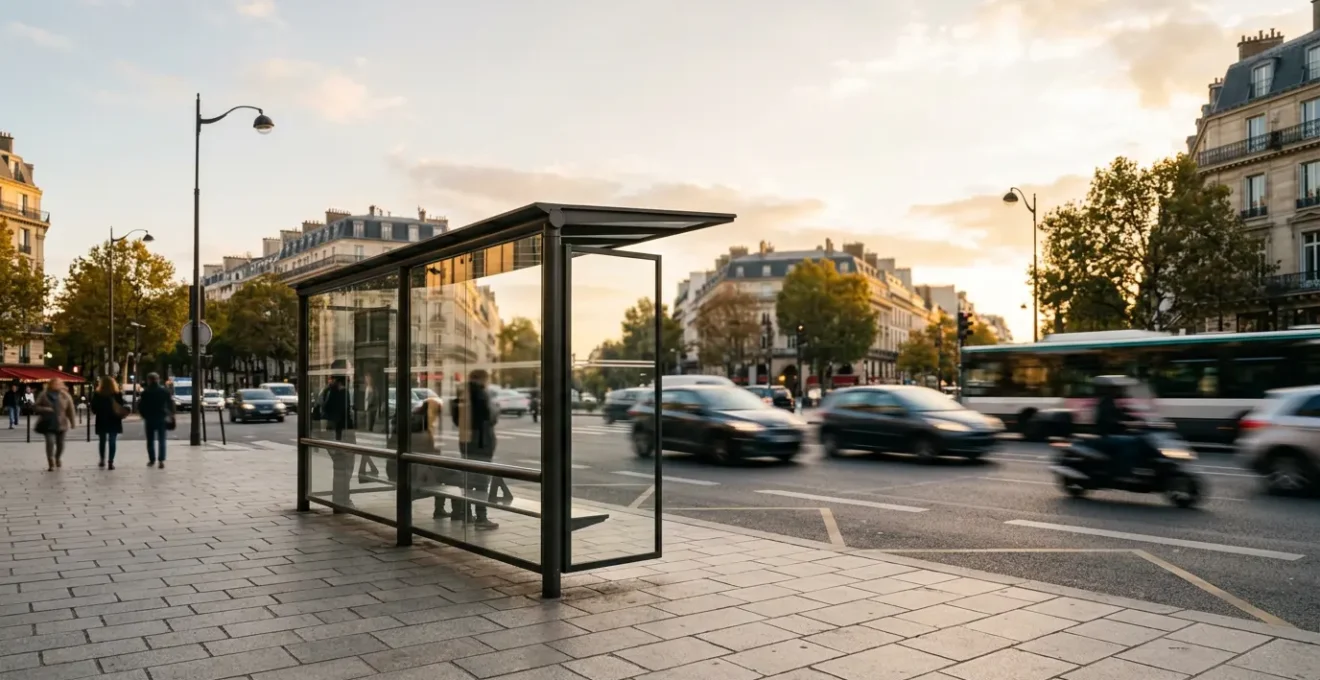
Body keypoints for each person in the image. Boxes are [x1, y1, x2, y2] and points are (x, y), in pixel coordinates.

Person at [451, 369, 499, 530]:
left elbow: (457, 420)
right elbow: (488, 418)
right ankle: (481, 518)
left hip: (466, 441)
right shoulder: (481, 394)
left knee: (468, 479)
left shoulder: (461, 394)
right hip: (481, 443)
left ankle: (467, 514)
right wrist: (495, 410)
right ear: (483, 379)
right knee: (481, 481)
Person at [34, 378, 76, 471]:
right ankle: (51, 462)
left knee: (60, 444)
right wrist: (46, 409)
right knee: (50, 442)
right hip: (48, 423)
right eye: (55, 383)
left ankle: (57, 457)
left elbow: (70, 409)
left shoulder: (65, 395)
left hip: (61, 423)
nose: (57, 385)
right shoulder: (44, 394)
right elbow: (36, 407)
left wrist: (72, 422)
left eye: (59, 383)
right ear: (51, 384)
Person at [90, 376, 128, 469]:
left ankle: (102, 459)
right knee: (112, 440)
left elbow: (94, 408)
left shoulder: (98, 394)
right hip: (114, 419)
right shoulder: (117, 394)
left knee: (102, 441)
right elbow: (121, 405)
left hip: (102, 419)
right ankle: (111, 462)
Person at [137, 373, 173, 469]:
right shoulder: (164, 391)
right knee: (162, 439)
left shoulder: (145, 392)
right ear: (158, 379)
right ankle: (161, 460)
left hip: (149, 418)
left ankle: (152, 459)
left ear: (148, 380)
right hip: (161, 417)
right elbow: (170, 403)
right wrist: (170, 414)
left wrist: (143, 415)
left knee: (150, 440)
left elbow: (141, 406)